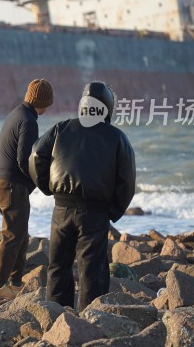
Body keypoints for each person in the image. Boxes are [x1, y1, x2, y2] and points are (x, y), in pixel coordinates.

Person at [30, 81, 136, 311]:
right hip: (95, 212)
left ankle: (57, 317)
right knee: (92, 270)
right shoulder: (116, 137)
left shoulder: (61, 128)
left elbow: (36, 155)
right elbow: (127, 180)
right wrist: (114, 211)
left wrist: (48, 187)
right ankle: (91, 318)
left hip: (61, 209)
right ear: (107, 107)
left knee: (58, 266)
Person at [0, 78, 54, 301]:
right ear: (43, 101)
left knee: (20, 235)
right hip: (11, 186)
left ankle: (15, 284)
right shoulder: (29, 121)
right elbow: (24, 159)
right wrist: (37, 182)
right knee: (12, 235)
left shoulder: (15, 114)